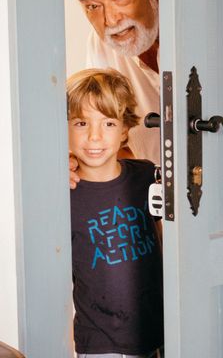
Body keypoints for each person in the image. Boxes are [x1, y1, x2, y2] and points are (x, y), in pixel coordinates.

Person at [67, 68, 164, 358]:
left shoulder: (146, 175)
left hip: (155, 332)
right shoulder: (62, 192)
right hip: (101, 343)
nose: (95, 136)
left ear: (124, 129)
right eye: (81, 123)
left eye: (108, 123)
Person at [67, 0, 160, 190]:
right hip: (153, 201)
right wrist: (75, 161)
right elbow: (106, 137)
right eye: (93, 6)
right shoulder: (101, 44)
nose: (110, 20)